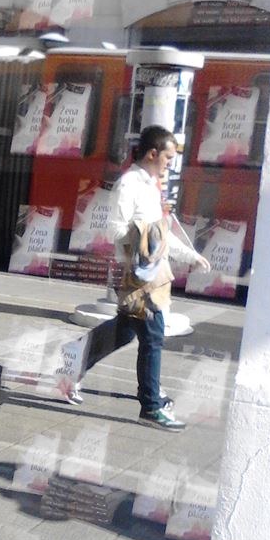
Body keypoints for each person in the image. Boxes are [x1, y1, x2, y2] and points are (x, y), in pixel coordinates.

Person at [83, 125, 210, 430]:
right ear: (153, 153)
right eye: (168, 157)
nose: (170, 164)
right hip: (139, 275)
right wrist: (143, 238)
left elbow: (161, 234)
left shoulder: (151, 185)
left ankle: (73, 360)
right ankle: (151, 406)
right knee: (153, 337)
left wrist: (190, 256)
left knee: (125, 332)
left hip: (153, 272)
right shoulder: (129, 183)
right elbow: (116, 230)